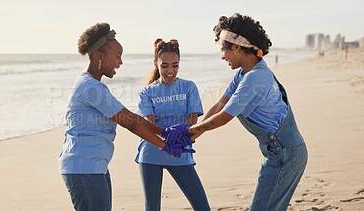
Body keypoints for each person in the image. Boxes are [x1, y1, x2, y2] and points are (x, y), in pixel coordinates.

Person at [180, 14, 308, 211]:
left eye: (224, 49)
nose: (222, 56)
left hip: (285, 155)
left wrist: (185, 134)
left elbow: (222, 118)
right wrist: (191, 136)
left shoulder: (255, 79)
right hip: (278, 153)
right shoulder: (244, 73)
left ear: (237, 48)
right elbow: (219, 106)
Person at [58, 23, 189, 211]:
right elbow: (132, 123)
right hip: (84, 168)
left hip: (93, 167)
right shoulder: (90, 87)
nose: (120, 62)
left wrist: (165, 132)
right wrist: (166, 145)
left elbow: (133, 119)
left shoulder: (93, 85)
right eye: (118, 56)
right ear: (100, 56)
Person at [135, 39, 210, 211]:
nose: (170, 71)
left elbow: (193, 120)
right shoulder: (147, 92)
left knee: (202, 207)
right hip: (151, 153)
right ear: (156, 63)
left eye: (175, 65)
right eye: (165, 66)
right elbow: (148, 124)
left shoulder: (188, 87)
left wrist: (179, 139)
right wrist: (168, 138)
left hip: (180, 151)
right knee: (152, 208)